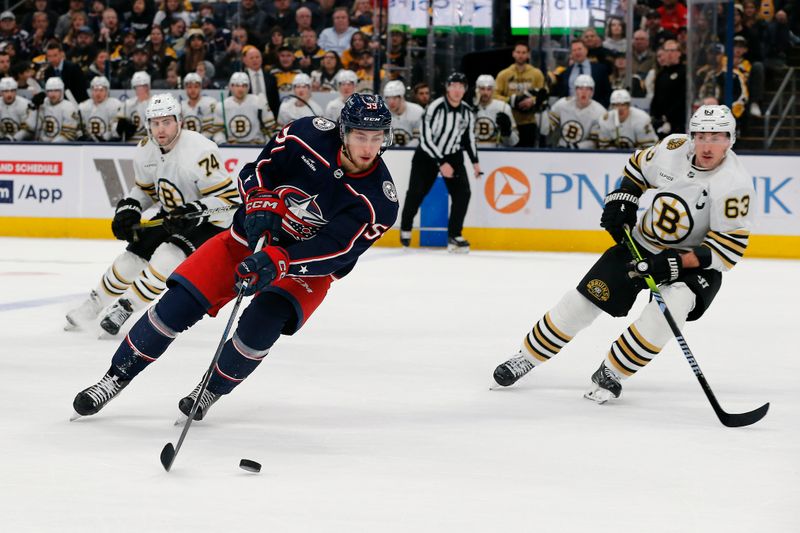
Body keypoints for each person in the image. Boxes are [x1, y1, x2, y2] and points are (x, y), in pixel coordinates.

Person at [71, 94, 397, 421]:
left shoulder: (379, 201)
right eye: (360, 136)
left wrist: (280, 259)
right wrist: (257, 200)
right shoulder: (305, 134)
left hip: (302, 270)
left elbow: (337, 250)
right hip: (243, 240)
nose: (368, 148)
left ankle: (209, 389)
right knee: (176, 305)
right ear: (343, 131)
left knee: (261, 326)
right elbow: (255, 171)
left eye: (376, 137)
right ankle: (114, 378)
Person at [492, 105, 754, 406]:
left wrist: (673, 263)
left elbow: (727, 249)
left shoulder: (735, 186)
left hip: (692, 263)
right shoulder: (674, 148)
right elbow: (637, 167)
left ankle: (613, 372)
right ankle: (526, 357)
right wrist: (626, 198)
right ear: (692, 137)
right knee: (582, 302)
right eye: (702, 136)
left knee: (668, 313)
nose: (708, 146)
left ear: (731, 140)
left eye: (718, 137)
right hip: (642, 243)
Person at [65, 93, 239, 335]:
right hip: (172, 216)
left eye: (167, 122)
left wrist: (194, 211)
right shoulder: (145, 149)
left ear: (180, 121)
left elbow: (231, 201)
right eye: (155, 123)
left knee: (168, 256)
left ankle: (125, 307)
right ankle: (93, 304)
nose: (161, 129)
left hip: (210, 223)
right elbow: (145, 190)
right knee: (133, 255)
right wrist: (130, 206)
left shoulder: (201, 150)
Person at [399, 72, 480, 253]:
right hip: (427, 155)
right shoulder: (435, 107)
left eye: (461, 86)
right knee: (416, 192)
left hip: (453, 155)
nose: (457, 90)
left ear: (465, 89)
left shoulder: (467, 111)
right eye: (454, 86)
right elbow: (426, 139)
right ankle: (405, 227)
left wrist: (475, 162)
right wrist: (441, 162)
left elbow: (469, 138)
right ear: (447, 88)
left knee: (463, 193)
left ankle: (454, 235)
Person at [494, 43, 547, 147]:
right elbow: (494, 95)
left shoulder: (536, 73)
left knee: (529, 156)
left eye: (524, 52)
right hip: (510, 122)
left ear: (528, 55)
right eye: (518, 52)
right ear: (513, 54)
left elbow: (544, 94)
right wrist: (511, 100)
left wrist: (532, 100)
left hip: (530, 122)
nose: (520, 55)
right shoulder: (503, 74)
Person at [540, 74, 605, 149]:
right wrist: (541, 110)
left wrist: (576, 147)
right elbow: (545, 130)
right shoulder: (562, 104)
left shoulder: (600, 112)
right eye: (580, 88)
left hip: (585, 154)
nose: (584, 92)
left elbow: (595, 142)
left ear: (592, 92)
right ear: (575, 90)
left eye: (588, 89)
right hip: (562, 149)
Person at [213, 72, 276, 145]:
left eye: (244, 85)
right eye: (237, 85)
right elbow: (218, 131)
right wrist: (222, 143)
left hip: (256, 146)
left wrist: (268, 146)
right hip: (232, 147)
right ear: (231, 86)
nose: (240, 89)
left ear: (248, 87)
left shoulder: (259, 102)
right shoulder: (221, 106)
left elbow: (270, 129)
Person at [650, 39, 686, 137]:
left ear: (679, 53)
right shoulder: (661, 74)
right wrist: (654, 115)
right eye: (667, 51)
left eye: (672, 50)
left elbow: (682, 98)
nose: (669, 54)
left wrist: (668, 117)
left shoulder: (684, 72)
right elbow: (656, 96)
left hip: (678, 122)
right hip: (661, 122)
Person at [473, 74, 518, 148]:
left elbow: (514, 142)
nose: (485, 93)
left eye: (489, 89)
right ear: (477, 90)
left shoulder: (503, 107)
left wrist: (507, 132)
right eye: (482, 89)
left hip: (497, 154)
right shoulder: (468, 108)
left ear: (493, 90)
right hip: (474, 154)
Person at [34, 76, 79, 142]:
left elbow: (68, 134)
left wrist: (53, 145)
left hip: (62, 147)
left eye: (56, 91)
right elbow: (34, 127)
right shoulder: (42, 103)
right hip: (41, 145)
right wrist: (33, 107)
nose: (53, 94)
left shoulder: (69, 107)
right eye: (50, 91)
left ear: (62, 91)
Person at [78, 75, 122, 141]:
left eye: (101, 90)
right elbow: (79, 128)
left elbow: (115, 129)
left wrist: (104, 138)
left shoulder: (115, 105)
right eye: (95, 90)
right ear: (91, 91)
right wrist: (83, 136)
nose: (98, 93)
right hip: (87, 145)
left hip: (107, 145)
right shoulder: (83, 106)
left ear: (107, 91)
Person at [382, 79, 424, 147]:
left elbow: (419, 138)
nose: (391, 102)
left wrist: (404, 151)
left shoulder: (417, 112)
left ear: (402, 97)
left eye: (395, 98)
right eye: (388, 98)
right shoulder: (382, 113)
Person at [117, 71, 151, 142]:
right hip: (130, 141)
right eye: (137, 87)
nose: (140, 89)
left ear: (148, 87)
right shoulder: (127, 104)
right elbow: (116, 125)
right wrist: (120, 128)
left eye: (144, 86)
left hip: (150, 141)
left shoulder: (155, 104)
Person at [181, 72, 216, 138]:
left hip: (205, 143)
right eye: (189, 87)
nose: (193, 90)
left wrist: (199, 140)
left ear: (201, 87)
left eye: (196, 87)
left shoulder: (210, 103)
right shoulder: (180, 106)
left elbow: (210, 129)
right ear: (185, 88)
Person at [0, 76, 34, 141]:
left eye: (12, 91)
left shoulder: (25, 105)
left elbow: (27, 129)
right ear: (1, 92)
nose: (9, 94)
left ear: (16, 91)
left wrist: (13, 139)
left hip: (22, 143)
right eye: (6, 91)